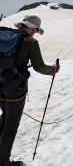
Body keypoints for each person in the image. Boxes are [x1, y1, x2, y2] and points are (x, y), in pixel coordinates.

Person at [0, 15, 59, 166]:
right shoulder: (30, 42)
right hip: (15, 88)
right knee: (11, 122)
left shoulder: (5, 36)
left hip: (0, 82)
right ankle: (3, 162)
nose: (35, 33)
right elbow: (39, 66)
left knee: (5, 117)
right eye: (36, 30)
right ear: (31, 27)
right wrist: (53, 70)